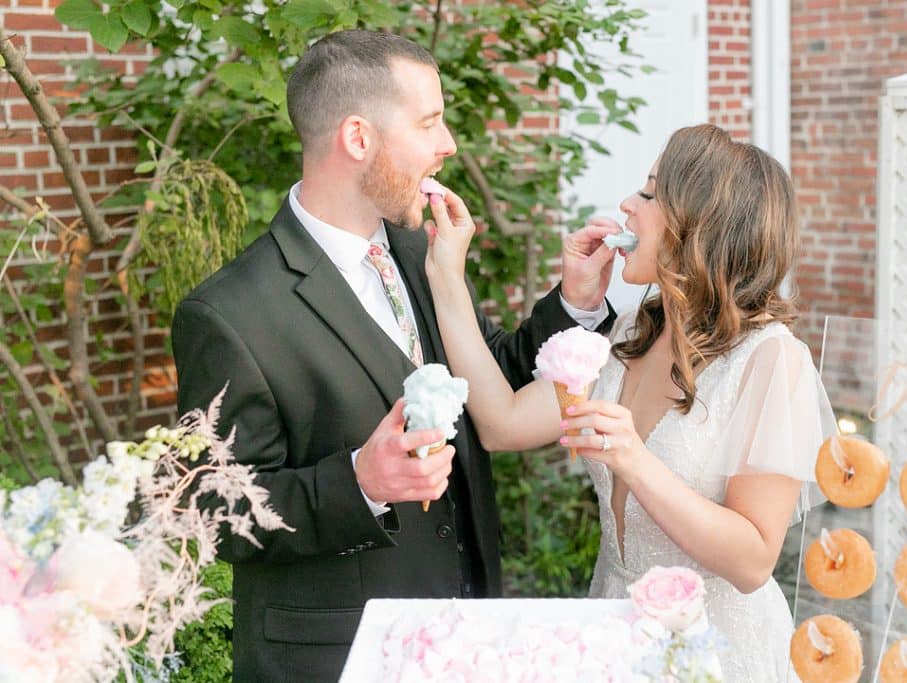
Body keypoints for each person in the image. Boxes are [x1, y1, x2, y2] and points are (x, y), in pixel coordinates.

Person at [171, 30, 616, 683]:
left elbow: (490, 375)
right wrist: (358, 482)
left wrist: (574, 302)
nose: (448, 144)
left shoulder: (417, 251)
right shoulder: (230, 313)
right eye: (429, 123)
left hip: (463, 641)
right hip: (338, 659)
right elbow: (215, 509)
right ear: (358, 138)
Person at [424, 123, 837, 682]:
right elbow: (503, 423)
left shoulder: (772, 358)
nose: (626, 205)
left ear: (699, 223)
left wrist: (635, 460)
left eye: (648, 194)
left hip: (715, 654)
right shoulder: (630, 333)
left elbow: (753, 561)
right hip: (615, 634)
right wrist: (446, 276)